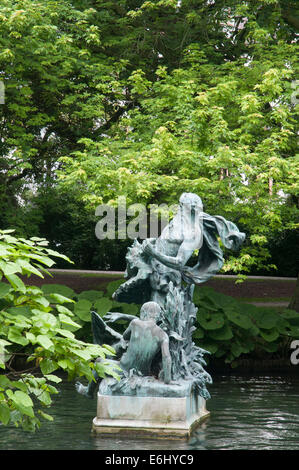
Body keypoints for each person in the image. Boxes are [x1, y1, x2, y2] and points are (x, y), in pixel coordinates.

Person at [75, 301, 171, 399]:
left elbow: (125, 336)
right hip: (143, 373)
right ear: (158, 316)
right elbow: (167, 357)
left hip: (124, 368)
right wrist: (167, 380)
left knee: (99, 362)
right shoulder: (163, 336)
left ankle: (89, 392)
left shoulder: (135, 323)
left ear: (143, 313)